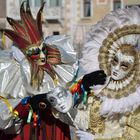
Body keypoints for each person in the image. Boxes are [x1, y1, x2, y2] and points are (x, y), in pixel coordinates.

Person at [48, 6, 140, 140]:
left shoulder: (135, 100)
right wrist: (64, 107)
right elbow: (85, 120)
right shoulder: (102, 89)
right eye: (115, 61)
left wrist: (96, 139)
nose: (115, 69)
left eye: (124, 66)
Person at [0, 1, 76, 140]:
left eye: (43, 49)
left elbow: (72, 99)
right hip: (24, 134)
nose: (42, 56)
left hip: (55, 131)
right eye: (35, 52)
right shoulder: (8, 72)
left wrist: (83, 86)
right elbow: (3, 116)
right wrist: (27, 104)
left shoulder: (56, 69)